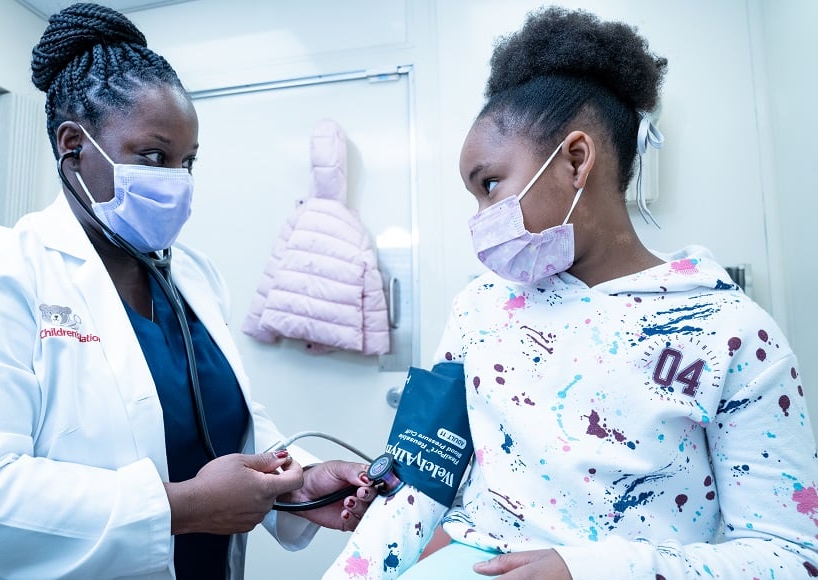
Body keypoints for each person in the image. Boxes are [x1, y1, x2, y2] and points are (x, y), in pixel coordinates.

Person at [324, 6, 818, 579]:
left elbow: (790, 555)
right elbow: (423, 475)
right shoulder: (479, 308)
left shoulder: (732, 335)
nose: (482, 216)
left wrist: (596, 570)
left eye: (490, 185)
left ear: (575, 161)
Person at [0, 3, 377, 578]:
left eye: (187, 161)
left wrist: (298, 481)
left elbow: (231, 427)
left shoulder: (194, 277)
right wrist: (182, 508)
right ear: (72, 145)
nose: (176, 180)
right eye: (154, 156)